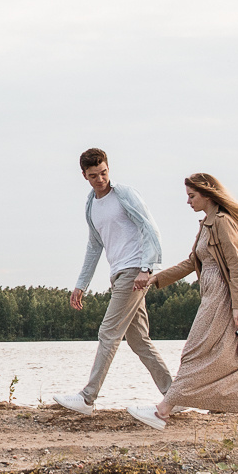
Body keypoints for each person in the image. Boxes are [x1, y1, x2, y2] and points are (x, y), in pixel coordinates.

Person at [144, 172, 238, 431]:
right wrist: (156, 279)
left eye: (192, 196)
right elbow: (191, 262)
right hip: (211, 297)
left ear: (207, 194)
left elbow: (236, 266)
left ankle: (163, 411)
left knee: (195, 351)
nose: (188, 201)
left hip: (223, 298)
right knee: (237, 356)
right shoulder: (206, 224)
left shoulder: (222, 222)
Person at [54, 147, 173, 422]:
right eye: (94, 175)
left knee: (108, 332)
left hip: (134, 272)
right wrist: (81, 283)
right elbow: (94, 246)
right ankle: (175, 395)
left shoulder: (125, 194)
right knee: (139, 340)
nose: (100, 179)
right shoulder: (91, 205)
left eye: (104, 173)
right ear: (84, 175)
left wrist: (147, 267)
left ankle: (87, 397)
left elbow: (150, 228)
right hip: (118, 274)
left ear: (109, 169)